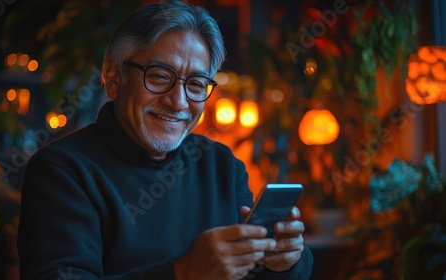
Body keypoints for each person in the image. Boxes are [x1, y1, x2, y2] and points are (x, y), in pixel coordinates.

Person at [17, 0, 313, 279]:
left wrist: (284, 264)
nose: (179, 102)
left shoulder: (221, 165)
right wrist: (182, 272)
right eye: (159, 76)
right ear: (113, 75)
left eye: (196, 84)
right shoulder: (62, 170)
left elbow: (252, 273)